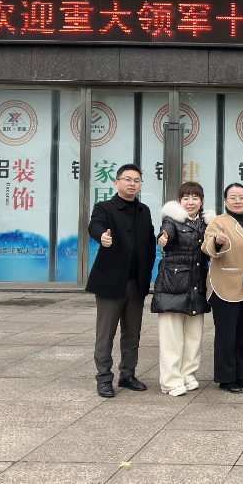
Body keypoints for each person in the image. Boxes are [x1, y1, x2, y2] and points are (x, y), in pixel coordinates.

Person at [87, 163, 157, 398]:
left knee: (132, 332)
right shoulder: (104, 207)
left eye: (136, 180)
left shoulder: (144, 210)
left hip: (137, 282)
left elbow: (149, 240)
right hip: (111, 281)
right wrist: (102, 237)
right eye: (127, 179)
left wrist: (147, 271)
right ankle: (104, 377)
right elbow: (95, 225)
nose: (132, 184)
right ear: (116, 182)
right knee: (105, 333)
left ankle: (127, 374)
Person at [202, 183, 243, 393]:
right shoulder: (218, 223)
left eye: (242, 197)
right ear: (225, 201)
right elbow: (207, 246)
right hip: (225, 285)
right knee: (226, 335)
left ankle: (240, 375)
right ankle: (226, 378)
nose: (238, 201)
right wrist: (218, 241)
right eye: (233, 197)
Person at [152, 182, 215, 397]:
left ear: (201, 201)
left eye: (195, 198)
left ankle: (187, 374)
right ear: (179, 201)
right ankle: (170, 381)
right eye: (186, 198)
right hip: (173, 284)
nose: (190, 202)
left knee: (194, 335)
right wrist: (163, 238)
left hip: (197, 285)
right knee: (171, 337)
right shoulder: (172, 219)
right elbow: (166, 233)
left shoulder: (206, 223)